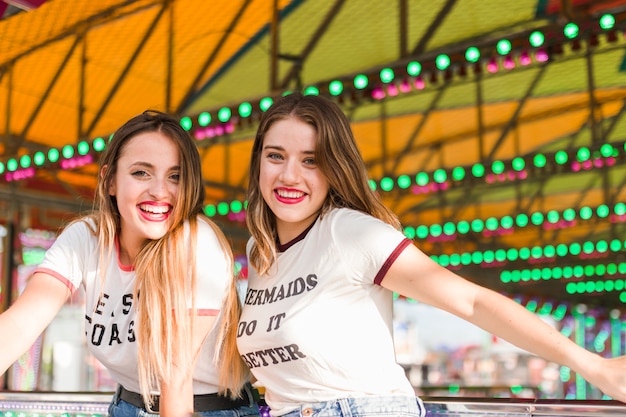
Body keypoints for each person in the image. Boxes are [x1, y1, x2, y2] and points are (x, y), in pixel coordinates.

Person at [236, 93, 626, 417]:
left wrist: (591, 365)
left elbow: (470, 301)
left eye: (310, 160)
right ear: (257, 163)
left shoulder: (348, 231)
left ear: (334, 167)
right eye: (275, 156)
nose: (289, 175)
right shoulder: (259, 250)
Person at [0, 111, 259, 417]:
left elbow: (175, 382)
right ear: (109, 181)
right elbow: (20, 324)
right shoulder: (87, 238)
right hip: (127, 405)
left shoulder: (195, 243)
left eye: (175, 176)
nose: (160, 191)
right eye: (141, 173)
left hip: (202, 409)